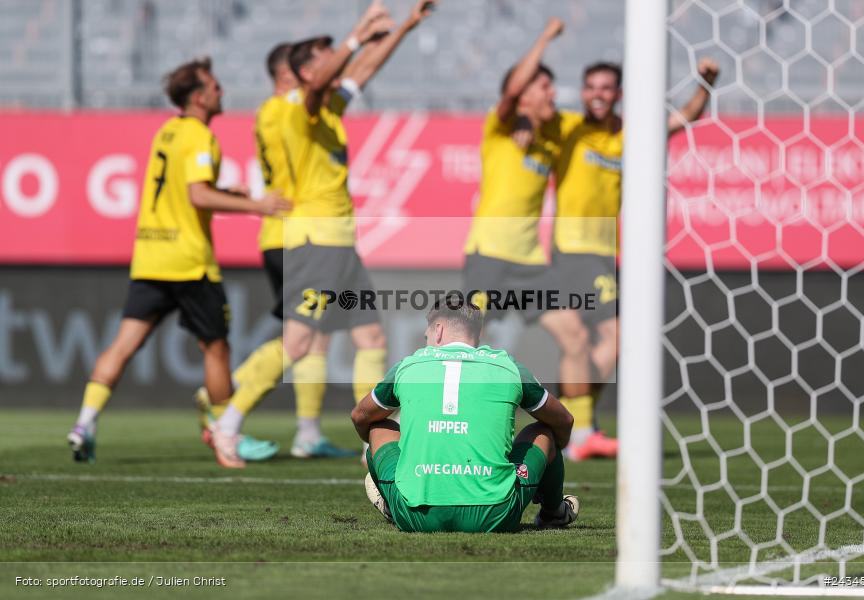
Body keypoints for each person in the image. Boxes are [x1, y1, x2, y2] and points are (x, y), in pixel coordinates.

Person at [209, 0, 438, 468]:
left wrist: (404, 28)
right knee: (298, 343)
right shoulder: (290, 108)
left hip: (339, 242)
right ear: (300, 71)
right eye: (325, 57)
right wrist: (357, 33)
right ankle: (227, 424)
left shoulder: (325, 106)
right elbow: (322, 82)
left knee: (371, 338)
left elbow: (364, 70)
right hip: (314, 240)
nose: (339, 63)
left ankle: (370, 437)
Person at [67, 58, 291, 463]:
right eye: (214, 85)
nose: (221, 90)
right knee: (216, 348)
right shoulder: (199, 137)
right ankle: (226, 436)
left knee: (123, 344)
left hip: (150, 256)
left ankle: (85, 423)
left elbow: (188, 190)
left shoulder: (167, 133)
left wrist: (229, 193)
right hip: (188, 261)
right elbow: (197, 196)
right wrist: (257, 205)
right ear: (199, 96)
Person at [553, 58, 719, 460]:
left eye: (606, 87)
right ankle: (580, 429)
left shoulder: (630, 134)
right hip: (573, 250)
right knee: (605, 338)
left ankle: (572, 420)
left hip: (604, 253)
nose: (597, 94)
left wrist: (706, 82)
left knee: (597, 344)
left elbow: (683, 118)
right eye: (591, 86)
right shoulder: (568, 128)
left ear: (619, 94)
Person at [461, 17, 594, 448]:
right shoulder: (500, 128)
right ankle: (455, 425)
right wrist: (546, 37)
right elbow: (512, 92)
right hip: (490, 256)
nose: (553, 94)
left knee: (575, 336)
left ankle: (584, 434)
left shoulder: (552, 137)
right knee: (466, 345)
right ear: (523, 95)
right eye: (544, 87)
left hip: (531, 263)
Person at [351, 298, 579, 532]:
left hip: (415, 515)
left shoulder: (407, 365)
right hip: (495, 514)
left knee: (378, 427)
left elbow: (360, 416)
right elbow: (564, 420)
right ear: (477, 333)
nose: (427, 340)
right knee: (544, 431)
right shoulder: (509, 367)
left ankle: (393, 502)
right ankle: (554, 513)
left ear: (438, 330)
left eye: (426, 334)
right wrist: (548, 467)